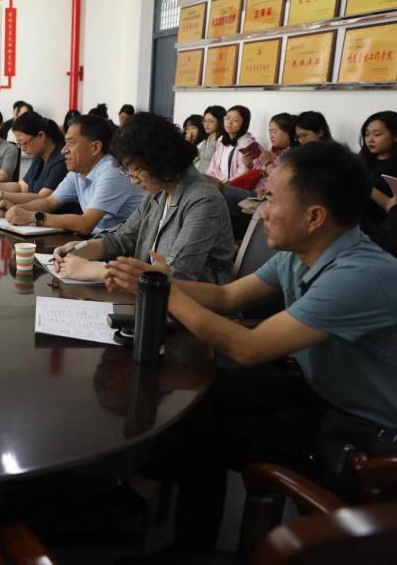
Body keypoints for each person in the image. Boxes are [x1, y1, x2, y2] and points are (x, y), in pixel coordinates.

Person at [104, 141, 397, 555]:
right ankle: (141, 506)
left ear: (314, 217)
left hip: (365, 431)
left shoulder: (359, 275)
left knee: (205, 434)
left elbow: (248, 348)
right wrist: (158, 280)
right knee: (194, 397)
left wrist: (160, 291)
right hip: (319, 391)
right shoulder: (302, 253)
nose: (261, 211)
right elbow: (226, 298)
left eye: (271, 199)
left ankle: (184, 544)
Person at [48, 112, 233, 284]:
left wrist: (100, 271)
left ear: (158, 160)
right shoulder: (159, 193)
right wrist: (80, 249)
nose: (133, 180)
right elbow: (122, 239)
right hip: (147, 297)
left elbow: (177, 275)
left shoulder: (203, 201)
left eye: (136, 170)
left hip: (190, 305)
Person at [1, 116, 144, 235]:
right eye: (65, 143)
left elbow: (86, 224)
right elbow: (49, 202)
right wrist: (15, 209)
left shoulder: (112, 170)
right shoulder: (78, 171)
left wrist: (32, 216)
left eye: (71, 143)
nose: (63, 150)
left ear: (95, 147)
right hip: (101, 241)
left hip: (126, 248)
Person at [0, 111, 67, 209]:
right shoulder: (39, 156)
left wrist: (1, 195)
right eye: (19, 144)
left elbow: (43, 198)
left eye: (24, 143)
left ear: (41, 135)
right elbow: (21, 186)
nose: (22, 149)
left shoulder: (61, 161)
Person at [359, 110, 397, 241]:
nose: (370, 139)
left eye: (377, 134)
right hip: (356, 226)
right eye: (367, 134)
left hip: (384, 231)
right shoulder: (359, 162)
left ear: (395, 136)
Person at [205, 104, 256, 184]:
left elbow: (243, 172)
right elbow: (213, 167)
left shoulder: (247, 143)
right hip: (218, 183)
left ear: (244, 123)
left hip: (233, 186)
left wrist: (226, 184)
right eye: (227, 118)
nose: (229, 122)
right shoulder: (221, 140)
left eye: (235, 120)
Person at [194, 106, 224, 174]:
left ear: (220, 121)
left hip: (211, 177)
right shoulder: (205, 139)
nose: (206, 124)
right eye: (205, 121)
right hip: (199, 176)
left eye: (211, 121)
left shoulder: (221, 140)